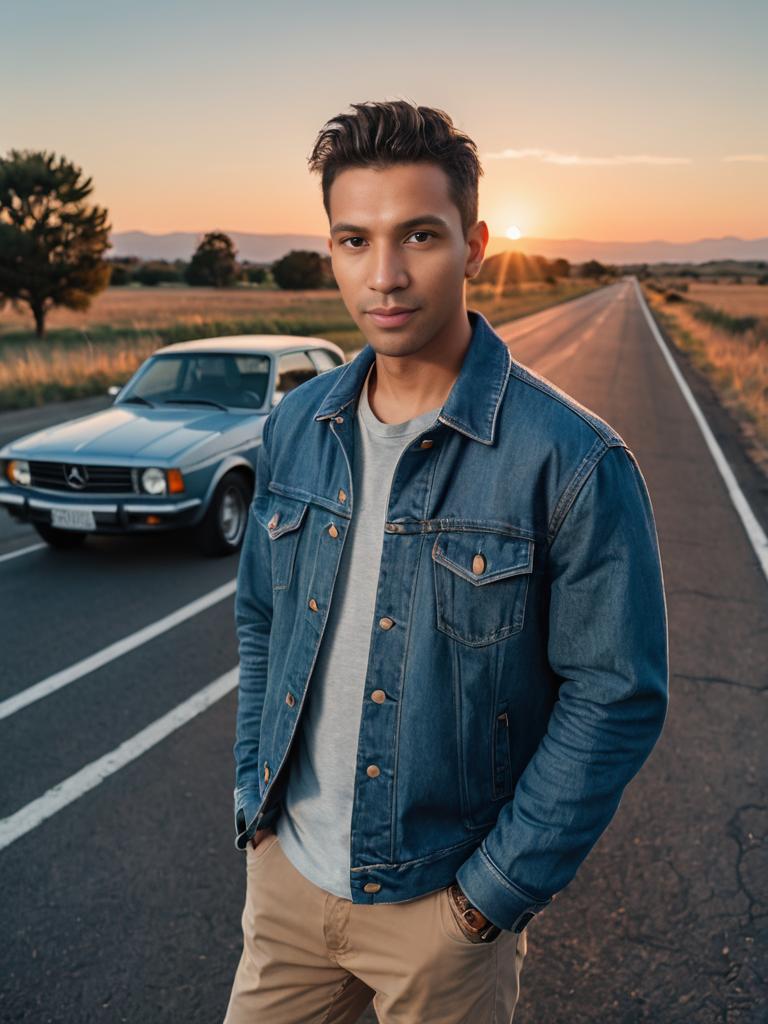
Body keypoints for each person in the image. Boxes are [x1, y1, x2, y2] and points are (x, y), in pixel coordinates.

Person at [223, 100, 669, 1024]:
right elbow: (262, 616)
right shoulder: (299, 427)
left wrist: (486, 902)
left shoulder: (572, 461)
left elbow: (615, 695)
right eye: (354, 240)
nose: (383, 277)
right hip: (288, 889)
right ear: (332, 247)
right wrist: (251, 806)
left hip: (442, 911)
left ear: (474, 247)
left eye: (418, 235)